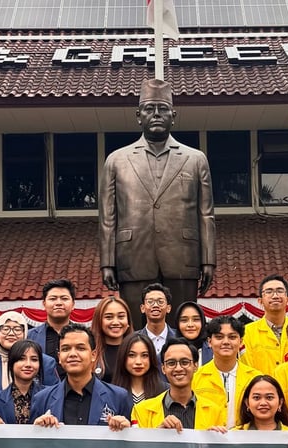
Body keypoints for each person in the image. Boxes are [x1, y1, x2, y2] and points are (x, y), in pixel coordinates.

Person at [99, 78, 216, 330]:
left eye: (162, 109)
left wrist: (208, 260)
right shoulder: (116, 160)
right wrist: (107, 262)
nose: (156, 114)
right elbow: (108, 217)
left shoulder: (196, 159)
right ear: (138, 116)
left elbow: (206, 214)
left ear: (173, 116)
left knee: (183, 329)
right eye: (149, 109)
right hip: (133, 255)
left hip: (182, 257)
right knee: (135, 333)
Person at [29, 324, 133, 429]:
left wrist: (125, 430)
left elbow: (130, 438)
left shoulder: (118, 397)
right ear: (59, 357)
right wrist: (37, 430)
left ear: (93, 355)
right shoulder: (42, 399)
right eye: (66, 349)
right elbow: (31, 439)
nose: (72, 354)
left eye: (80, 348)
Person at [132, 338, 226, 430]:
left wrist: (214, 438)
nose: (178, 368)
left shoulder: (215, 411)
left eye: (184, 362)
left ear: (195, 366)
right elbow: (136, 441)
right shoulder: (142, 411)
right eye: (171, 363)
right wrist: (158, 434)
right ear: (163, 368)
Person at [192, 316, 261, 427]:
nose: (226, 342)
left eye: (232, 337)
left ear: (241, 342)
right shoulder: (195, 379)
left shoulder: (255, 378)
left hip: (245, 436)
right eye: (219, 337)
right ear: (209, 342)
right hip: (207, 437)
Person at [0, 311, 59, 392]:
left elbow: (54, 394)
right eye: (5, 329)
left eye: (17, 329)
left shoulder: (45, 363)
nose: (11, 333)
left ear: (25, 332)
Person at [240, 274, 288, 375]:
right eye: (269, 292)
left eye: (280, 291)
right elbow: (245, 368)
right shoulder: (246, 333)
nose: (275, 296)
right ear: (260, 301)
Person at [0, 340, 48, 424]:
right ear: (11, 363)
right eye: (21, 359)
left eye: (34, 359)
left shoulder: (49, 396)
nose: (28, 364)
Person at [27, 278, 76, 363]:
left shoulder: (85, 336)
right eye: (53, 299)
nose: (59, 303)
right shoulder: (29, 337)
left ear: (73, 304)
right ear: (44, 304)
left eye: (64, 298)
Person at [110, 332, 166, 405]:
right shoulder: (111, 393)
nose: (138, 362)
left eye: (144, 355)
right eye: (131, 355)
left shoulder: (165, 391)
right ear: (123, 357)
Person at [89, 296, 133, 383]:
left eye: (121, 316)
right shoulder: (90, 352)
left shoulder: (138, 349)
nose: (115, 322)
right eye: (109, 317)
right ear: (99, 321)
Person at [136, 283, 178, 355]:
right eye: (150, 302)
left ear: (168, 308)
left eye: (160, 302)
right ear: (142, 308)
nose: (155, 305)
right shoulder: (134, 339)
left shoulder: (179, 337)